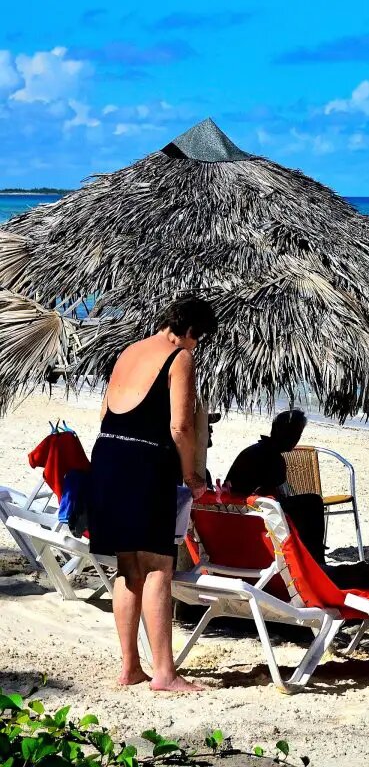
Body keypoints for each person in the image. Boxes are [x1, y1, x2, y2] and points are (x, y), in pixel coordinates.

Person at [88, 294, 217, 691]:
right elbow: (180, 426)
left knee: (128, 567)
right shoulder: (179, 356)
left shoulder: (130, 350)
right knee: (159, 565)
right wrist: (192, 476)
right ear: (191, 331)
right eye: (199, 339)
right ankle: (164, 672)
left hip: (108, 453)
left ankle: (130, 668)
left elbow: (103, 411)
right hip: (144, 461)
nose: (197, 347)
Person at [224, 409, 325, 558]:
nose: (296, 439)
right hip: (256, 513)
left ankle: (312, 551)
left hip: (237, 510)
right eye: (295, 434)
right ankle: (315, 555)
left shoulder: (254, 450)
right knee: (313, 502)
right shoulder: (272, 459)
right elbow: (273, 496)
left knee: (305, 504)